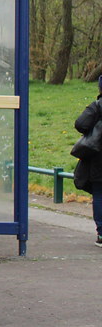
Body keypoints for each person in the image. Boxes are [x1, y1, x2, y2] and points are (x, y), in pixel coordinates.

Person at [73, 76, 102, 247]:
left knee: (99, 193)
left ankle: (101, 232)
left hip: (98, 158)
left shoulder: (97, 106)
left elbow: (80, 124)